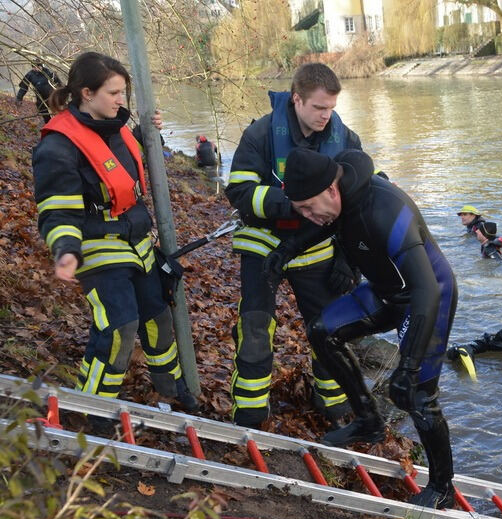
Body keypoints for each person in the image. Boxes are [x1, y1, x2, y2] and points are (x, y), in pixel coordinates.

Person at [269, 147, 459, 509]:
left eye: (310, 207)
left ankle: (442, 486)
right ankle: (369, 421)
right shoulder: (335, 198)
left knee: (416, 394)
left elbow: (426, 289)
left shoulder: (383, 211)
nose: (309, 216)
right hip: (386, 291)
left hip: (428, 296)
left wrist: (408, 365)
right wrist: (286, 250)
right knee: (323, 331)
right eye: (301, 210)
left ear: (331, 190)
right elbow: (324, 224)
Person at [31, 51, 197, 411]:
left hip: (137, 240)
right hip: (96, 245)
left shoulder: (117, 128)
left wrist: (145, 133)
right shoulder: (57, 145)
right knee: (120, 328)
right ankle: (93, 407)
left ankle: (169, 388)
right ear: (86, 93)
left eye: (124, 93)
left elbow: (120, 166)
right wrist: (66, 250)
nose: (122, 101)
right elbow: (56, 211)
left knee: (158, 319)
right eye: (114, 93)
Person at [224, 62, 362, 429]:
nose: (325, 116)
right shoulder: (262, 134)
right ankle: (250, 414)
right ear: (297, 99)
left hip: (316, 247)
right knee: (255, 325)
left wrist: (348, 258)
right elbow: (239, 190)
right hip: (264, 242)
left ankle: (333, 405)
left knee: (331, 328)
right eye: (318, 108)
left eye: (331, 108)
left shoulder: (344, 138)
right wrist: (297, 204)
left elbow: (360, 199)